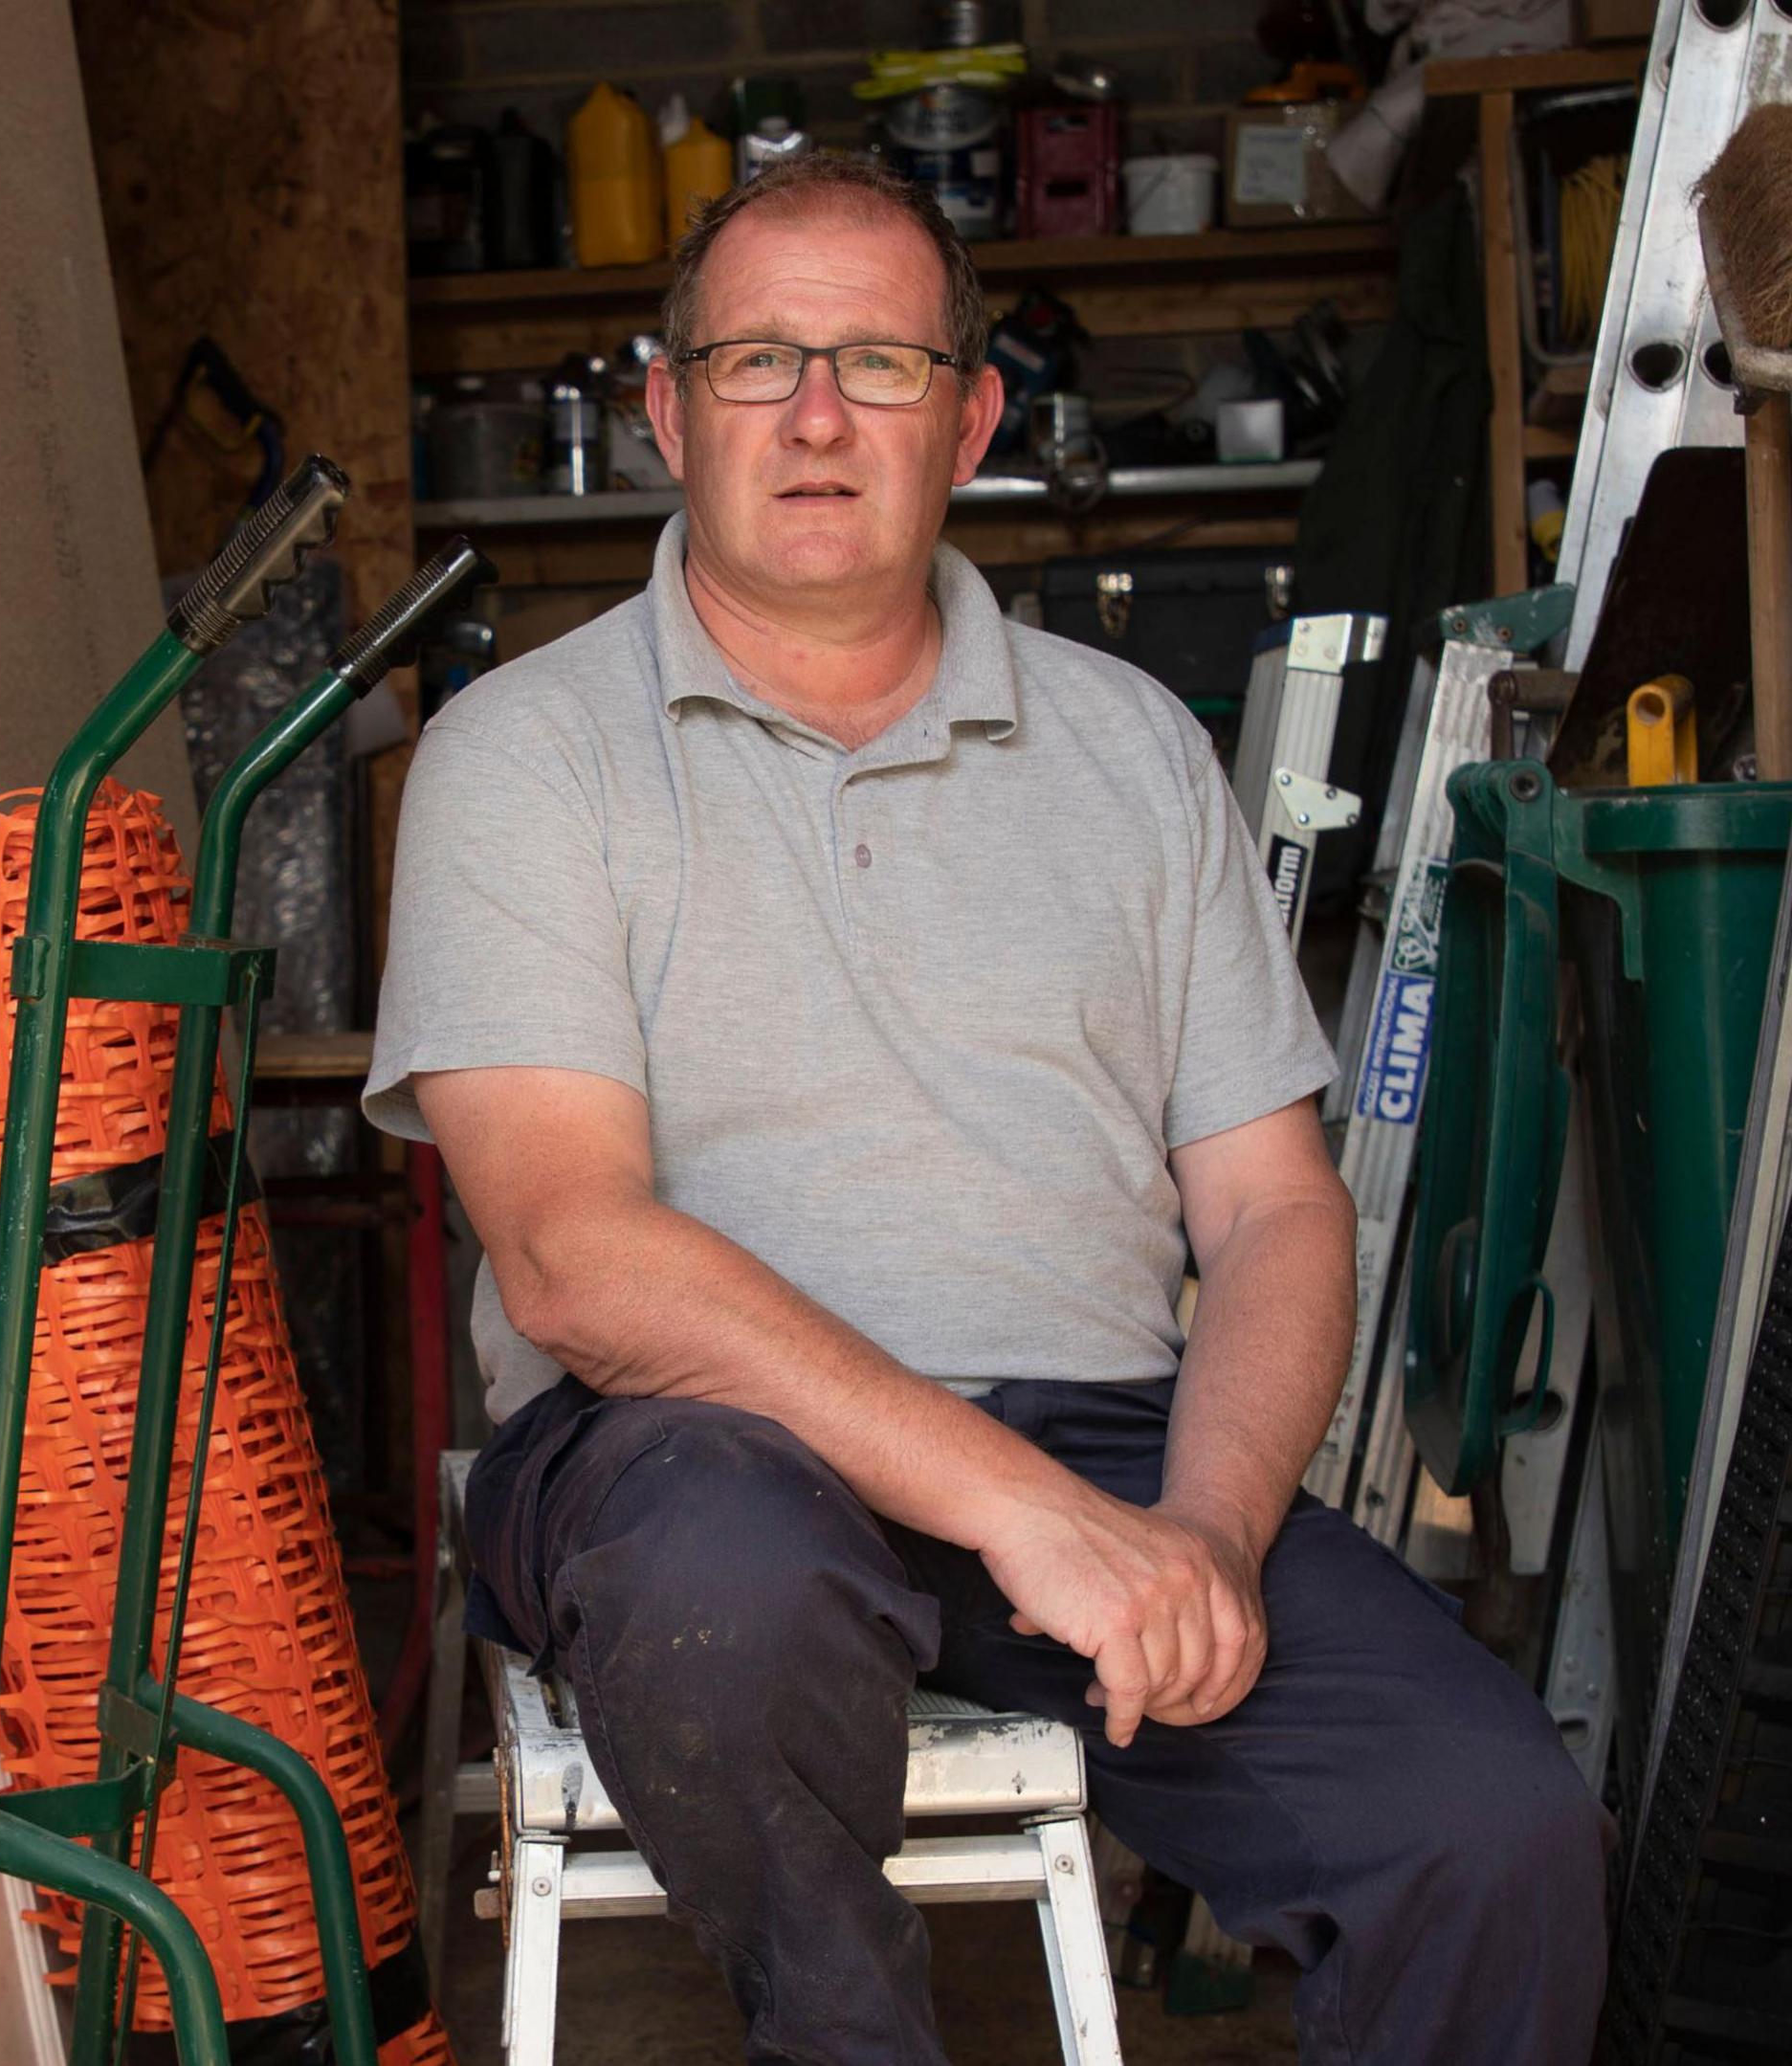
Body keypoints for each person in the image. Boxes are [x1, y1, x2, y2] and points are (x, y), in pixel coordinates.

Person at [365, 151, 1605, 2066]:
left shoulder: (1127, 752)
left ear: (974, 417)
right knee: (729, 1582)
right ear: (667, 413)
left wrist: (1197, 1526)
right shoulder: (525, 754)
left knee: (1493, 1822)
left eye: (877, 360)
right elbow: (574, 1257)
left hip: (1108, 1446)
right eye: (759, 359)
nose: (816, 415)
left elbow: (1276, 1209)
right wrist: (1035, 1519)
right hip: (676, 1454)